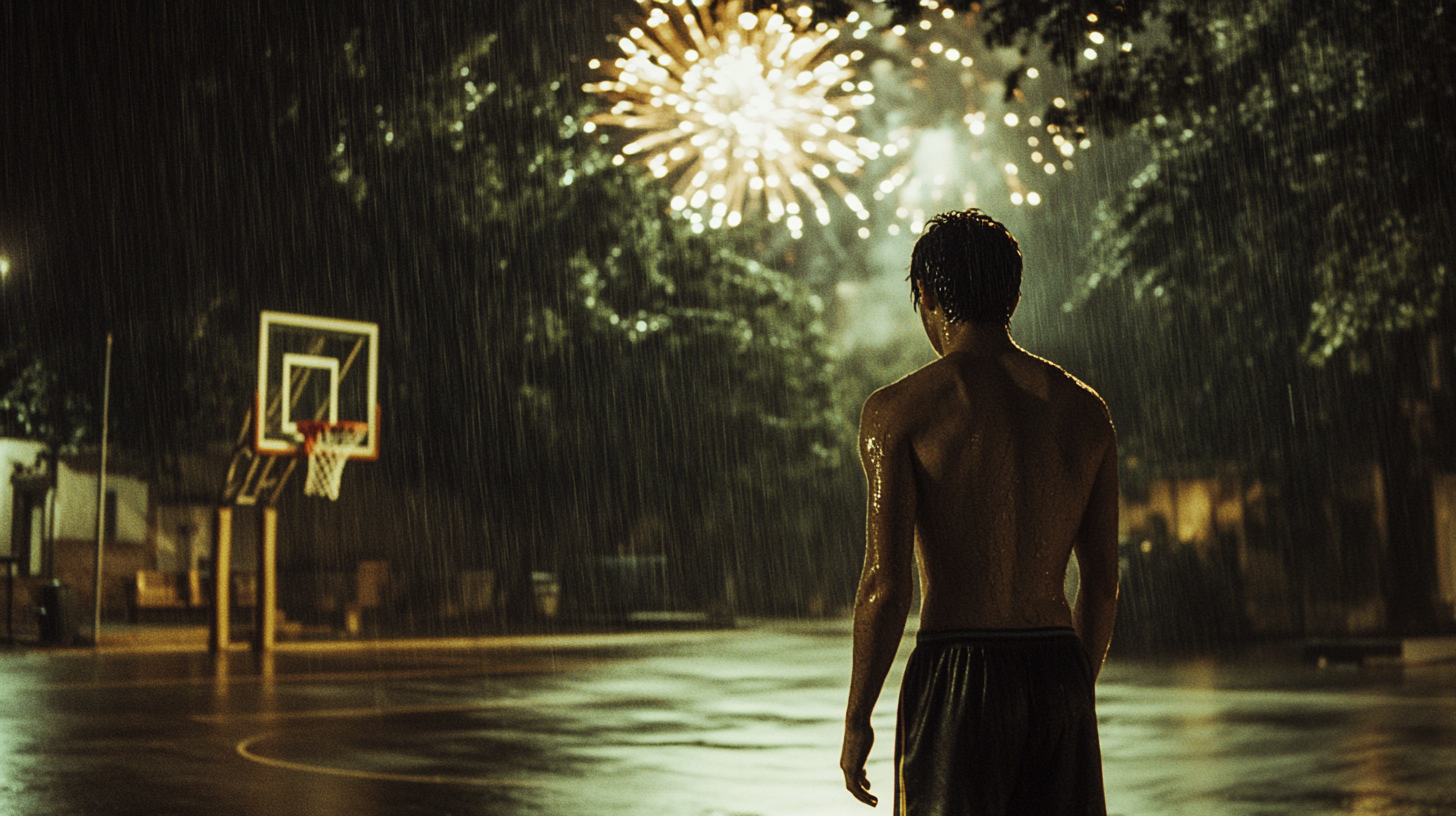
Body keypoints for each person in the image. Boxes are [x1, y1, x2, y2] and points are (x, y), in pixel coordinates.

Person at [839, 209, 1119, 815]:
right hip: (1057, 666)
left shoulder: (900, 413)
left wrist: (858, 717)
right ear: (1013, 295)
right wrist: (1073, 694)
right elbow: (1100, 587)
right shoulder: (1084, 411)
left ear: (928, 293)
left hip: (958, 671)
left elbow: (886, 587)